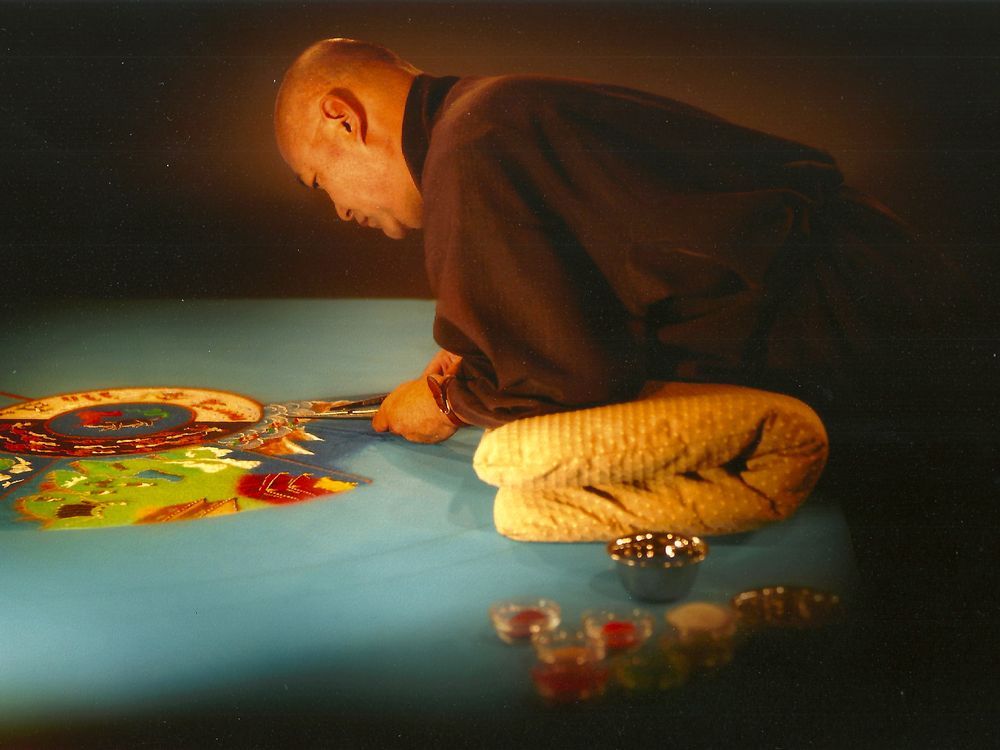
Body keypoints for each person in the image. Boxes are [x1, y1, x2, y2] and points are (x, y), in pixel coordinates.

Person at [274, 38, 983, 445]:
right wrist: (485, 340)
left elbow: (565, 383)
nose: (339, 211)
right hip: (883, 287)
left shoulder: (470, 150)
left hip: (862, 334)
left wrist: (449, 402)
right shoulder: (484, 112)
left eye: (318, 181)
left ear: (342, 118)